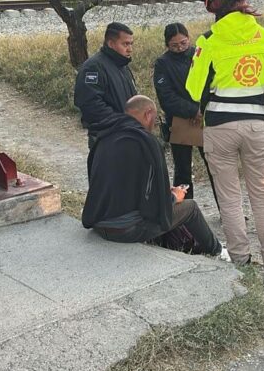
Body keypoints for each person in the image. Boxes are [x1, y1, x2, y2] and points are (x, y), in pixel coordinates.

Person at [185, 0, 264, 288]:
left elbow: (194, 90)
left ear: (213, 5)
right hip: (257, 127)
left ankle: (242, 264)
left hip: (220, 129)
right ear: (243, 0)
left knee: (230, 198)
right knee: (262, 196)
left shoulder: (208, 41)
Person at [82, 95, 223, 256]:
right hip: (125, 230)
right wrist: (173, 197)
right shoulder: (146, 142)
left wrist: (162, 190)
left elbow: (120, 184)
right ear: (148, 114)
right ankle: (217, 251)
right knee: (190, 208)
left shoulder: (103, 137)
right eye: (155, 121)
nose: (153, 126)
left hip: (98, 224)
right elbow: (155, 207)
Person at [154, 22, 211, 200]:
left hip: (205, 118)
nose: (179, 48)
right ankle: (184, 212)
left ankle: (227, 211)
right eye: (174, 45)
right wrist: (192, 111)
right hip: (178, 121)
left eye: (183, 43)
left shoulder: (199, 55)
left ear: (189, 39)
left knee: (215, 166)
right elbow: (166, 97)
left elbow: (210, 84)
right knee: (182, 170)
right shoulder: (162, 63)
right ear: (167, 45)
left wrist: (202, 110)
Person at [73, 22, 138, 147]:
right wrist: (122, 121)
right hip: (106, 137)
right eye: (125, 44)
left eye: (131, 44)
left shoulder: (122, 66)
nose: (130, 49)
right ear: (111, 44)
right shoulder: (93, 67)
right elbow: (90, 104)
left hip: (127, 133)